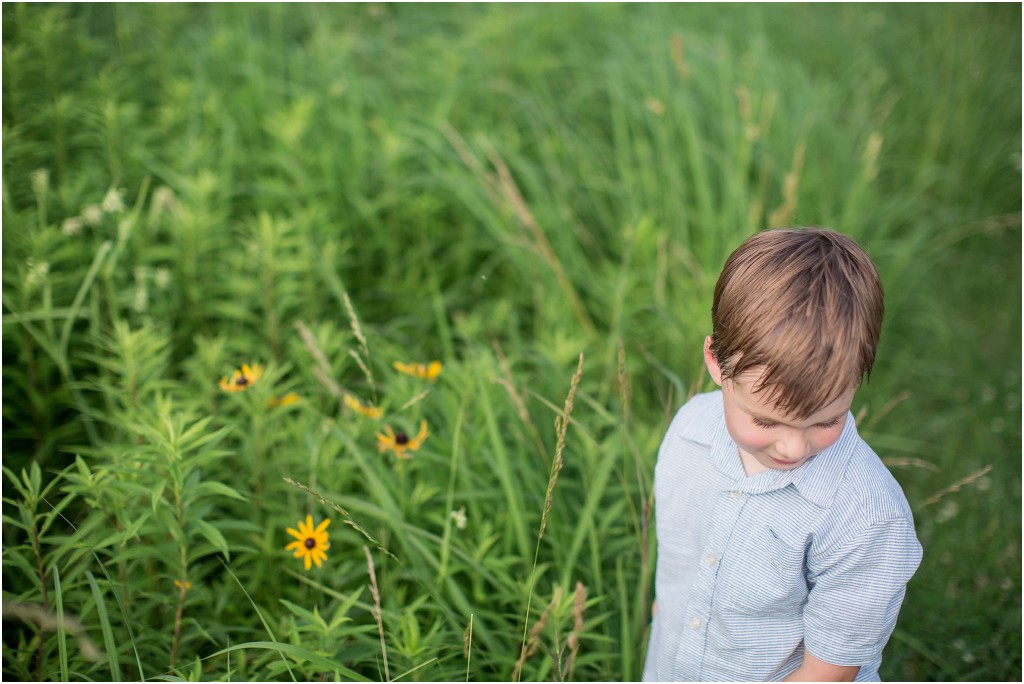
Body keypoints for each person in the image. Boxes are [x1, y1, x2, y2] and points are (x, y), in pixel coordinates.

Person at [642, 228, 922, 682]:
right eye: (766, 422)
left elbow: (826, 673)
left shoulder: (867, 518)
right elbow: (678, 563)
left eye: (824, 421)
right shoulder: (688, 433)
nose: (793, 447)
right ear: (716, 363)